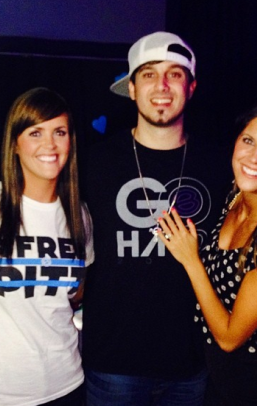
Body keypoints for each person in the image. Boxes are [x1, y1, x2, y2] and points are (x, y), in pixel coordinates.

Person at [81, 32, 231, 405]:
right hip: (112, 366)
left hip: (190, 367)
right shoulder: (92, 163)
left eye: (174, 75)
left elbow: (254, 233)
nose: (161, 86)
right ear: (131, 89)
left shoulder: (221, 165)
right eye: (148, 75)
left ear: (191, 87)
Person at [158, 99, 257, 405]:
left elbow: (228, 338)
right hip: (214, 379)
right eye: (249, 141)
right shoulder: (235, 196)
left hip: (256, 387)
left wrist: (190, 259)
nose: (255, 157)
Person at [0, 87, 94, 406]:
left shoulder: (79, 214)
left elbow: (78, 289)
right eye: (35, 132)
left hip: (66, 383)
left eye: (59, 132)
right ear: (16, 145)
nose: (49, 144)